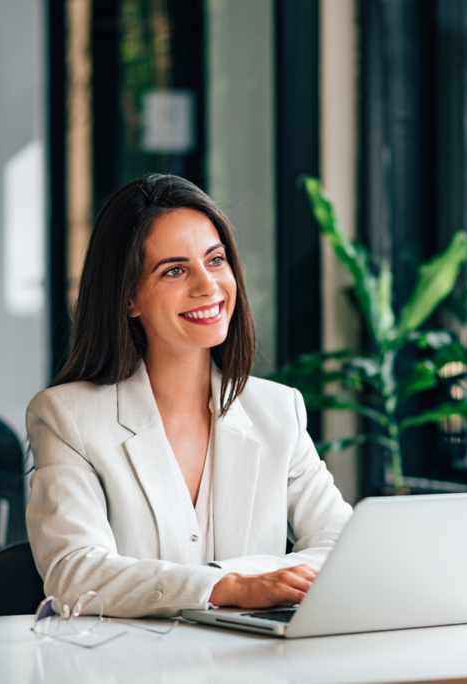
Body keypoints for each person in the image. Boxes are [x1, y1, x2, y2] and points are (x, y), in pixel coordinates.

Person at [25, 174, 353, 619]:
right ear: (128, 299)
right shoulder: (67, 418)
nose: (208, 285)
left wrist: (251, 582)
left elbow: (342, 547)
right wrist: (227, 586)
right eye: (174, 270)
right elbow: (75, 574)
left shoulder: (279, 411)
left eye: (216, 260)